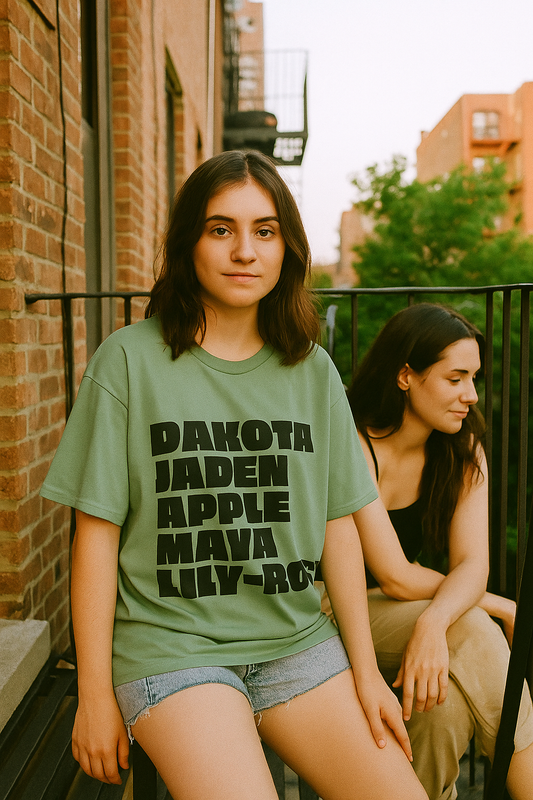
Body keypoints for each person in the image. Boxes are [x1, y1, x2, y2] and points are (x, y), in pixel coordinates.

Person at [40, 150, 429, 800]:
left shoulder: (312, 371)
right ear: (188, 242)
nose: (244, 251)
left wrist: (363, 672)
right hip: (173, 650)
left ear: (287, 249)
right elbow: (96, 536)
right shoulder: (128, 362)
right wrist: (93, 692)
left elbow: (337, 526)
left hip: (298, 645)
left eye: (264, 231)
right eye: (221, 228)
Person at [345, 303, 533, 800]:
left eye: (473, 378)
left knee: (439, 706)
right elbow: (394, 574)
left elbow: (473, 563)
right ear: (406, 375)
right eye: (455, 378)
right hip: (326, 608)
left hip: (399, 612)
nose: (471, 395)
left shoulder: (462, 450)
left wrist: (432, 621)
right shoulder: (352, 442)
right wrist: (494, 605)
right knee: (473, 629)